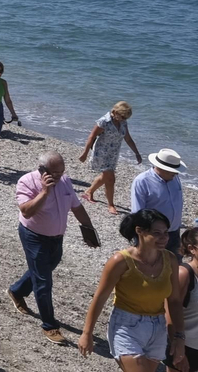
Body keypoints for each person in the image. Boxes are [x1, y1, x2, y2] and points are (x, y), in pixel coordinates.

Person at [7, 150, 100, 344]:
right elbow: (26, 211)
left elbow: (77, 207)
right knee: (43, 281)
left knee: (45, 268)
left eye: (62, 172)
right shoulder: (26, 181)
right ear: (42, 170)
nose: (59, 177)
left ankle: (16, 291)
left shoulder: (65, 181)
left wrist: (88, 230)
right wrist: (44, 192)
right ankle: (49, 325)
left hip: (56, 238)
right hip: (34, 236)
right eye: (55, 173)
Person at [77, 209, 186, 370]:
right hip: (126, 326)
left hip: (158, 328)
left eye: (166, 232)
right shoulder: (120, 261)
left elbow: (175, 301)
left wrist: (179, 337)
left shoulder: (170, 259)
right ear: (139, 231)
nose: (164, 238)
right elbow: (100, 298)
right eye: (157, 233)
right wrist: (87, 333)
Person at [83, 102, 142, 214]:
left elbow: (128, 139)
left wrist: (137, 153)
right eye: (123, 116)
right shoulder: (104, 122)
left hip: (113, 155)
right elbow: (91, 137)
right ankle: (111, 205)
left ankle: (89, 191)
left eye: (126, 117)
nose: (124, 119)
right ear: (115, 112)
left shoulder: (123, 122)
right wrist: (85, 153)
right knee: (110, 179)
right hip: (101, 153)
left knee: (105, 177)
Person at [130, 150, 186, 255]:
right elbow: (138, 213)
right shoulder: (142, 181)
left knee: (174, 264)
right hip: (153, 234)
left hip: (174, 232)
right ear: (161, 167)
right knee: (149, 264)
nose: (176, 173)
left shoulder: (175, 178)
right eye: (173, 170)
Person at [173, 229, 198, 370]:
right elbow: (169, 311)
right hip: (186, 345)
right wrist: (177, 348)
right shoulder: (183, 274)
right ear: (191, 249)